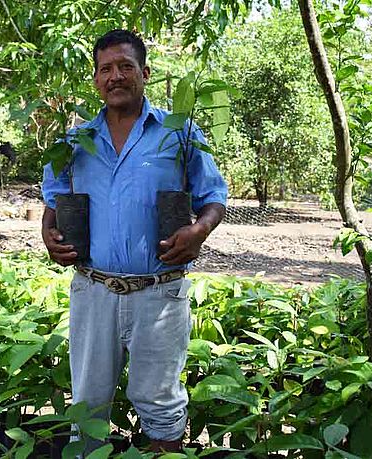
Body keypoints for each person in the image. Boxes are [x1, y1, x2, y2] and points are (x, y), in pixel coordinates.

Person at [41, 29, 227, 455]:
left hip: (159, 292)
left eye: (126, 66)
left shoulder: (178, 133)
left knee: (161, 405)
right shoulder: (75, 141)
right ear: (96, 80)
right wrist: (48, 231)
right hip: (93, 290)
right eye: (106, 69)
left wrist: (199, 231)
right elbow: (54, 195)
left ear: (144, 72)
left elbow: (213, 196)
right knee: (87, 408)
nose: (116, 76)